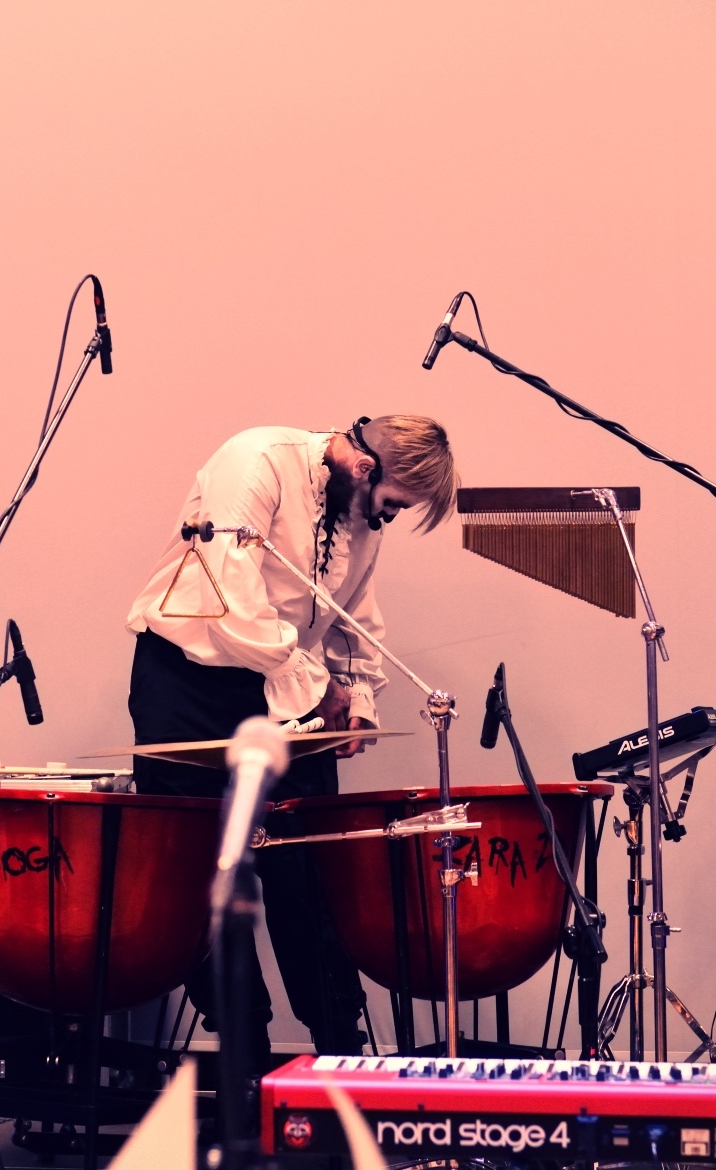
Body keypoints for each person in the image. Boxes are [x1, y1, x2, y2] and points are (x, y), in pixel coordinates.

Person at [124, 415, 457, 1057]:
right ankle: (243, 1049)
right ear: (365, 468)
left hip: (285, 681)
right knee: (199, 868)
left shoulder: (359, 512)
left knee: (311, 866)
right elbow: (231, 600)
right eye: (392, 502)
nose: (387, 518)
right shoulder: (256, 460)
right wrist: (316, 686)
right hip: (188, 683)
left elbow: (350, 612)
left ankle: (339, 1045)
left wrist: (357, 696)